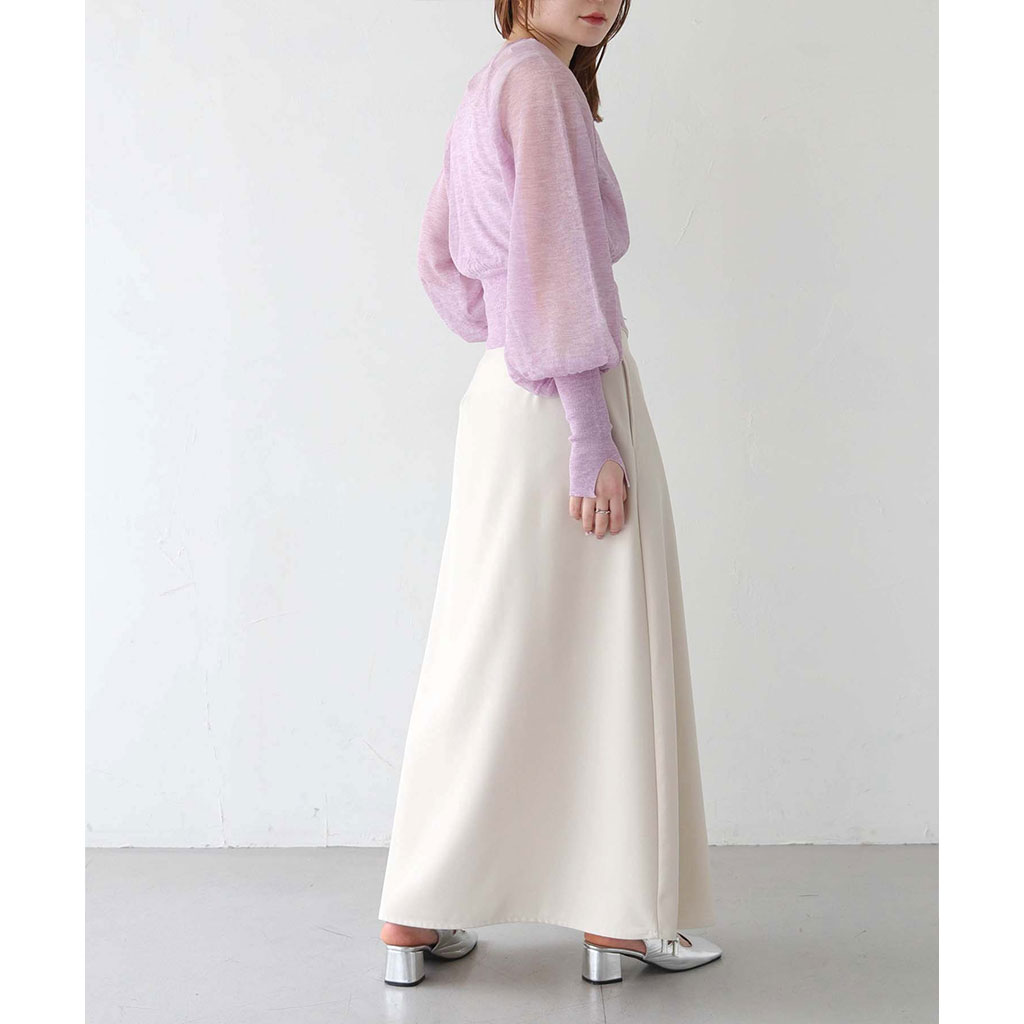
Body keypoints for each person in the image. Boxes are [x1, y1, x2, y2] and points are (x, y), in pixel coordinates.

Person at [377, 0, 723, 986]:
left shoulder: (493, 83)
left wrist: (507, 333)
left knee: (484, 644)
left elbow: (439, 256)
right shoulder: (539, 86)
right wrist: (588, 432)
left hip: (502, 395)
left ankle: (416, 908)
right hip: (568, 403)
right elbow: (559, 266)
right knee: (606, 650)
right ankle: (618, 920)